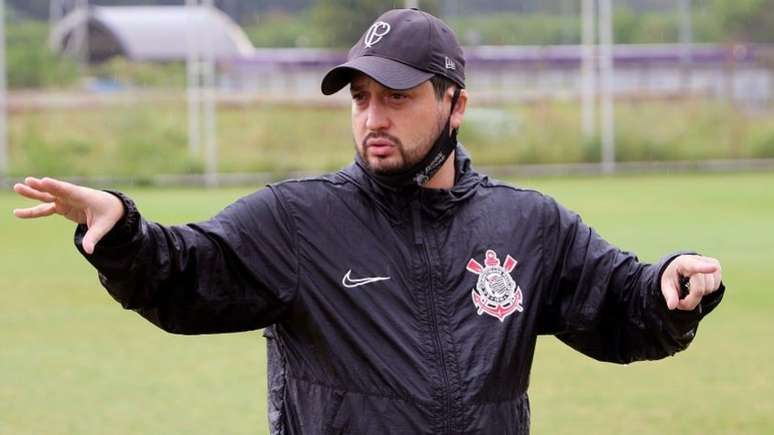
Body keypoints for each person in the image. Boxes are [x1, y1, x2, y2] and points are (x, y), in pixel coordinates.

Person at [13, 8, 724, 435]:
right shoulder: (298, 219)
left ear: (456, 104)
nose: (373, 118)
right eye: (359, 97)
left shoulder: (528, 223)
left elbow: (617, 302)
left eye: (397, 97)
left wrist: (668, 286)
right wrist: (122, 234)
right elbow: (189, 272)